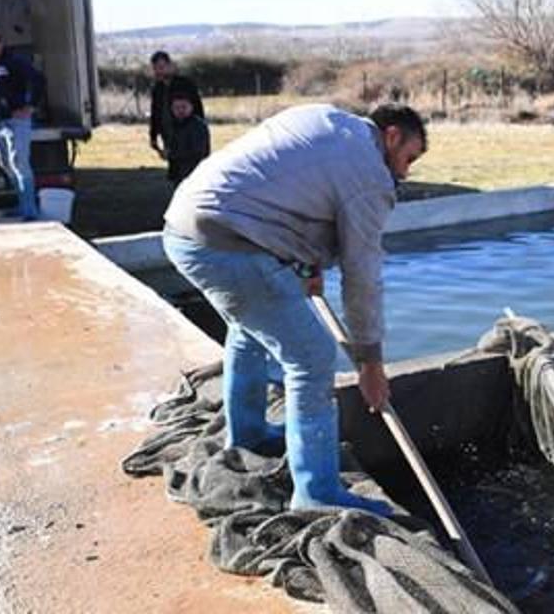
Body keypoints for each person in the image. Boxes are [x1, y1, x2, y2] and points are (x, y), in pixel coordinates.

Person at [162, 103, 427, 513]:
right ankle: (316, 494)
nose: (405, 172)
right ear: (391, 135)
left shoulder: (326, 118)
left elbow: (285, 188)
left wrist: (306, 263)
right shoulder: (371, 177)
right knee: (313, 357)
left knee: (248, 329)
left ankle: (248, 435)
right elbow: (362, 276)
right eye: (409, 157)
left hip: (185, 225)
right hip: (223, 244)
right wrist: (370, 364)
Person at [0, 29, 45, 221]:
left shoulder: (15, 62)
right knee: (5, 164)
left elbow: (38, 80)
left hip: (16, 121)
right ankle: (21, 205)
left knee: (20, 164)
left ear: (1, 45)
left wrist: (30, 107)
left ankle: (30, 210)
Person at [148, 51, 206, 166]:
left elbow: (197, 109)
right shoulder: (157, 89)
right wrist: (153, 136)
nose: (158, 71)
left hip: (187, 134)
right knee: (175, 171)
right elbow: (155, 113)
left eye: (161, 67)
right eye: (155, 68)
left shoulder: (185, 84)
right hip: (168, 135)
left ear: (170, 66)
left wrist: (199, 132)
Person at [164, 91, 211, 185]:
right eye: (176, 108)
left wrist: (174, 154)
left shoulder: (197, 126)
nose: (180, 110)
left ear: (191, 107)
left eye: (184, 107)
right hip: (179, 173)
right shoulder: (174, 125)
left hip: (194, 173)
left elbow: (198, 152)